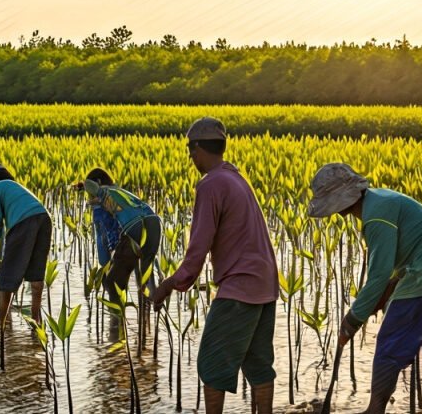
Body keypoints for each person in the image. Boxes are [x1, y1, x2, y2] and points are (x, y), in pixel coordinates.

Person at [307, 163, 422, 414]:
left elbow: (378, 276)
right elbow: (404, 257)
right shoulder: (381, 198)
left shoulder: (375, 217)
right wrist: (388, 290)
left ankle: (375, 408)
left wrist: (352, 320)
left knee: (390, 345)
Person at [152, 117, 278, 414]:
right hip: (266, 284)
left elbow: (198, 248)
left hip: (240, 285)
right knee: (259, 363)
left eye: (190, 150)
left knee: (211, 364)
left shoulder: (211, 184)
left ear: (197, 149)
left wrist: (170, 284)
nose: (190, 157)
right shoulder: (236, 178)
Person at [78, 168, 161, 342]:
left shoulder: (102, 198)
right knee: (145, 280)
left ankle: (116, 333)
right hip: (154, 223)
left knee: (112, 283)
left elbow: (102, 238)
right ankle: (148, 329)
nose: (89, 197)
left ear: (97, 183)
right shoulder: (121, 192)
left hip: (135, 227)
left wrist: (105, 267)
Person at [0, 162, 51, 325]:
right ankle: (36, 320)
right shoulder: (15, 187)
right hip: (45, 218)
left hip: (24, 221)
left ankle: (3, 320)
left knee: (7, 275)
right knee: (36, 273)